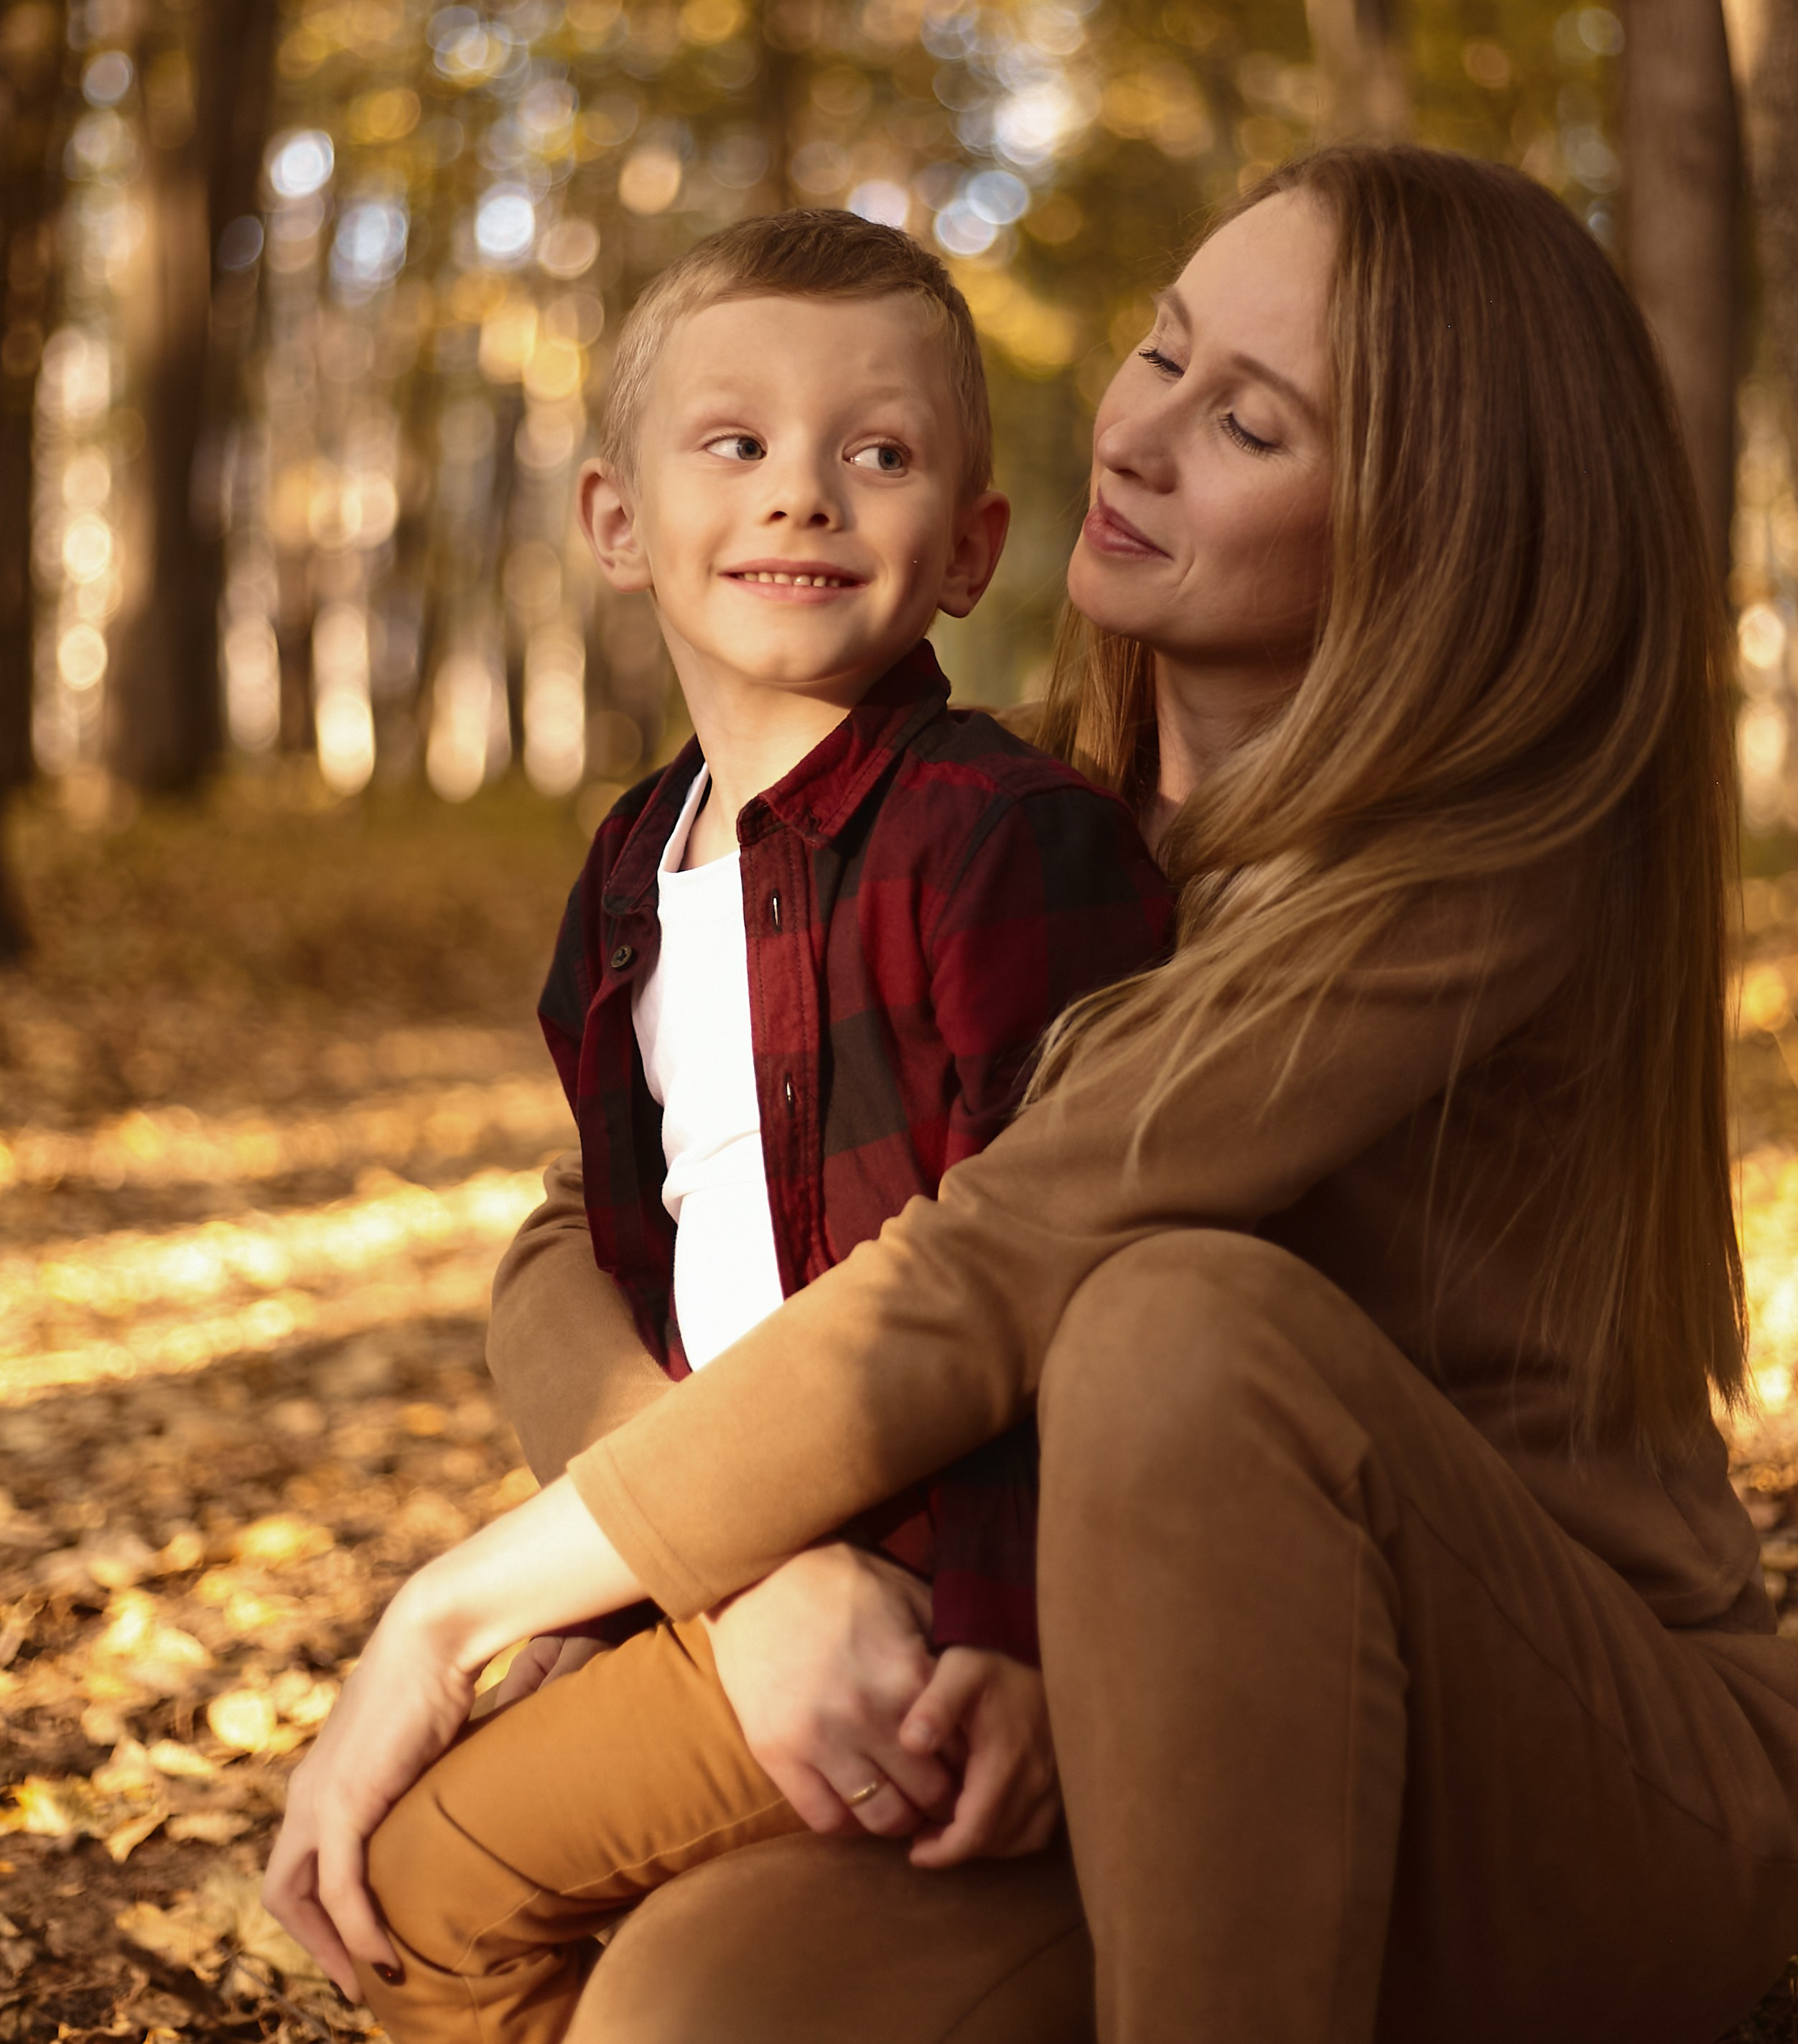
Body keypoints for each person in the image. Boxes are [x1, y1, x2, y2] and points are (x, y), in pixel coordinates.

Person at [269, 145, 1798, 2044]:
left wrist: (452, 1604)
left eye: (1247, 420)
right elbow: (572, 1226)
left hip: (1561, 1778)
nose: (1141, 436)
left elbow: (994, 1262)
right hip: (1143, 1714)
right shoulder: (1010, 821)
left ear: (1434, 529)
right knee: (679, 2005)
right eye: (1163, 356)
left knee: (1168, 1323)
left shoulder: (1473, 874)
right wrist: (753, 1586)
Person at [269, 207, 1169, 2039]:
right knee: (434, 1896)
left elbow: (1065, 1286)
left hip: (927, 1588)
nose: (804, 496)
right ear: (616, 523)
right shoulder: (632, 862)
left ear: (972, 550)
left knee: (424, 1887)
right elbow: (640, 1249)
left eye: (881, 452)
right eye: (735, 443)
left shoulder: (1005, 841)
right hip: (739, 1546)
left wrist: (1008, 1627)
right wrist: (635, 1592)